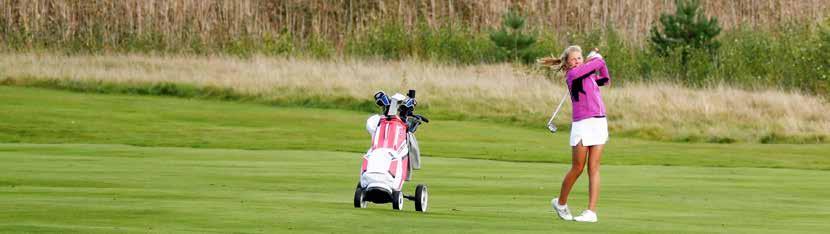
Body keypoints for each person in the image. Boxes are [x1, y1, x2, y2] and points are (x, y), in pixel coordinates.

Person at [540, 45, 610, 223]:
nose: (577, 61)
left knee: (593, 168)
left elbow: (605, 78)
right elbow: (598, 62)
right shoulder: (572, 75)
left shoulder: (589, 75)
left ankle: (591, 212)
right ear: (567, 64)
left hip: (599, 122)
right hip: (582, 124)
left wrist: (597, 61)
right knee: (578, 167)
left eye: (580, 58)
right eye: (573, 59)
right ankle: (561, 203)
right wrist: (596, 58)